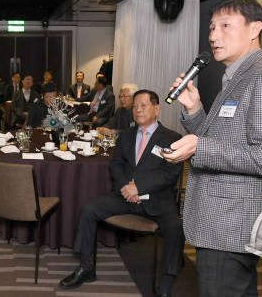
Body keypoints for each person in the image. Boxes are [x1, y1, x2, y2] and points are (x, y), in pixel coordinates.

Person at [162, 0, 262, 297]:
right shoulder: (237, 78)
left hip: (232, 222)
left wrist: (200, 147)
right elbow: (224, 141)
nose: (213, 35)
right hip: (223, 222)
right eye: (211, 27)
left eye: (225, 26)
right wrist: (195, 111)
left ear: (255, 29)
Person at [60, 90, 184, 296]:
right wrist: (127, 189)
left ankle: (166, 283)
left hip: (157, 200)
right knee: (89, 209)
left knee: (175, 227)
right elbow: (116, 166)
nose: (138, 109)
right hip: (125, 197)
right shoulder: (126, 135)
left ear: (157, 109)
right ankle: (86, 267)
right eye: (135, 106)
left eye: (144, 105)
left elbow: (170, 173)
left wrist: (139, 187)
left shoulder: (172, 138)